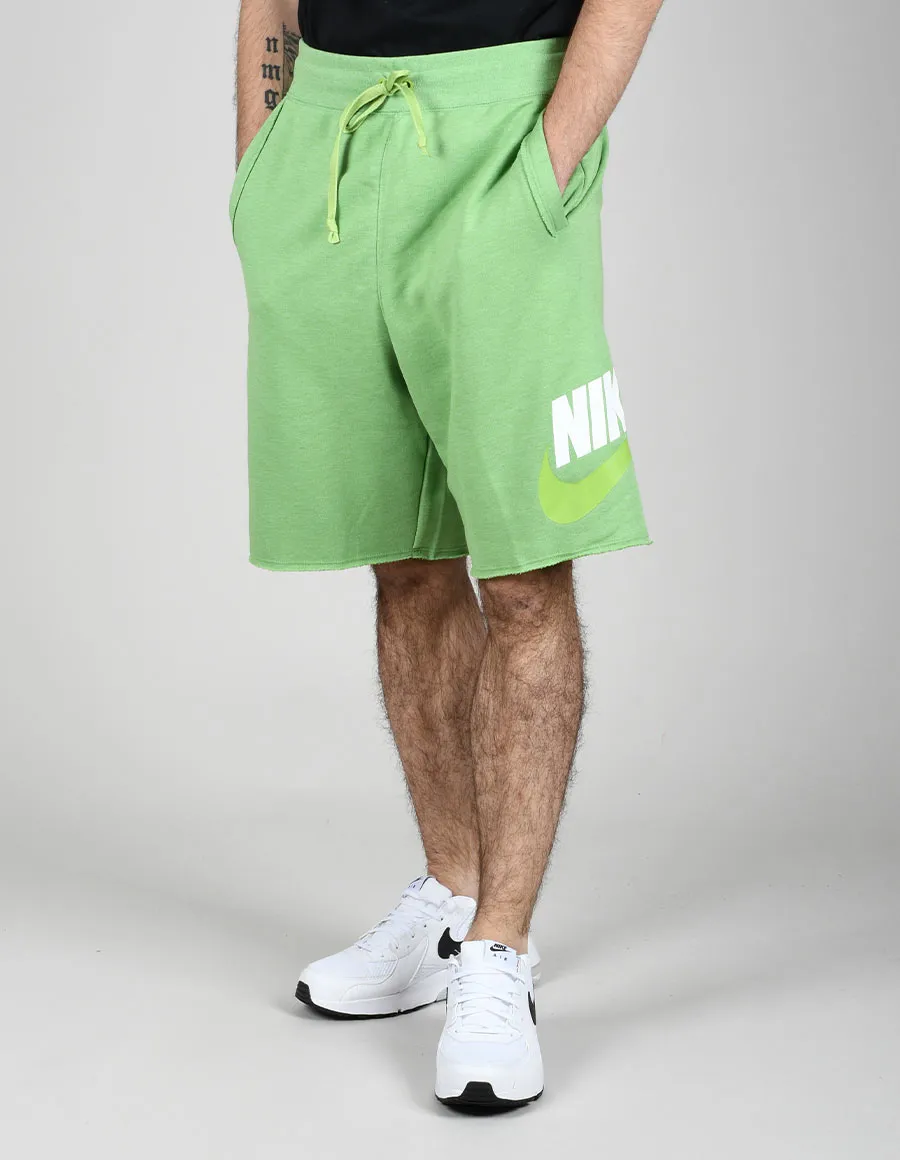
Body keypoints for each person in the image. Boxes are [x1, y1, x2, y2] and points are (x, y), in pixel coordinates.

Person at [231, 0, 661, 1112]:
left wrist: (549, 160)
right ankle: (451, 897)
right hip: (328, 131)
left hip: (502, 124)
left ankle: (499, 951)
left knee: (522, 572)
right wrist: (262, 160)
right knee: (405, 556)